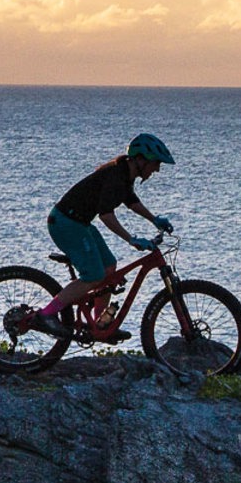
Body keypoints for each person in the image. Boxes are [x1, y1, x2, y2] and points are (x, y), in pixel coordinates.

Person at [28, 133, 177, 337]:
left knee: (108, 268)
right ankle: (46, 315)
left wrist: (154, 219)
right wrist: (131, 239)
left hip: (79, 223)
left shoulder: (125, 174)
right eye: (156, 163)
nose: (157, 169)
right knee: (93, 275)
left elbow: (132, 202)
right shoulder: (116, 175)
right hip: (65, 223)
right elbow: (106, 215)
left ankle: (100, 324)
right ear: (141, 159)